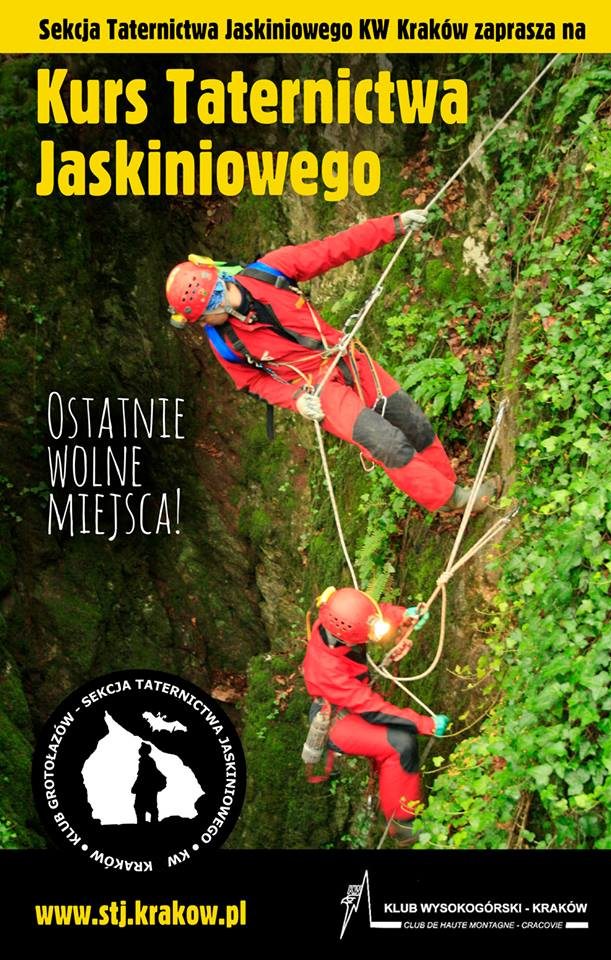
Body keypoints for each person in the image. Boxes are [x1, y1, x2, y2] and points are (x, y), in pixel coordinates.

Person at [165, 211, 498, 513]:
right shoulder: (224, 343)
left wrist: (394, 225)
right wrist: (296, 399)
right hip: (318, 389)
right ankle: (455, 501)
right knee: (385, 442)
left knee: (412, 422)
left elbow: (334, 249)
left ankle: (451, 491)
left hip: (346, 357)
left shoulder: (270, 271)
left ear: (217, 299)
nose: (203, 325)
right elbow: (253, 381)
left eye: (203, 317)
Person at [302, 587, 449, 839]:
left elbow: (370, 616)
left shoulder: (338, 619)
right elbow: (372, 709)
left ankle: (394, 794)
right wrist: (424, 724)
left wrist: (403, 615)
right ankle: (401, 825)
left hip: (350, 701)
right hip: (337, 720)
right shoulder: (328, 668)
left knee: (399, 742)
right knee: (400, 745)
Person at [131, 743, 167, 824]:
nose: (139, 750)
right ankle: (148, 822)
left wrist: (135, 787)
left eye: (141, 748)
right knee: (147, 807)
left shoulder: (146, 761)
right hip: (148, 788)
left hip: (146, 788)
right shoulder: (146, 760)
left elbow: (142, 776)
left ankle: (146, 823)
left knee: (142, 807)